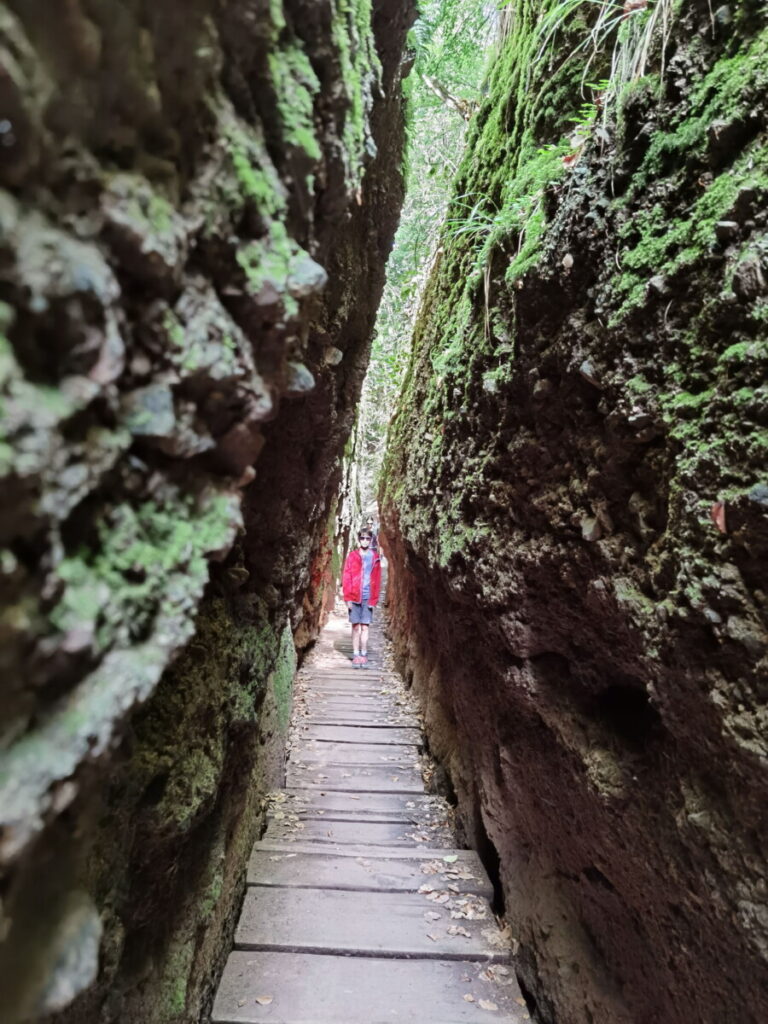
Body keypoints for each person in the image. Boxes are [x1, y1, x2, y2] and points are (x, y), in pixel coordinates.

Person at [342, 528, 381, 668]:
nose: (365, 541)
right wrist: (347, 598)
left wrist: (374, 599)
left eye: (367, 538)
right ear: (359, 539)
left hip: (367, 597)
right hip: (354, 596)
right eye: (362, 538)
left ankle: (363, 654)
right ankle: (355, 654)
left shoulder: (375, 557)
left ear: (371, 540)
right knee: (355, 626)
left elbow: (377, 579)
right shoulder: (352, 556)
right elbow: (346, 577)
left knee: (365, 627)